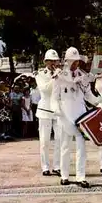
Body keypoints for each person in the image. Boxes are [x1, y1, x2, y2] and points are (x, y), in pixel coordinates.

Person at [51, 47, 100, 187]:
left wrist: (99, 100)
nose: (75, 64)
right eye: (72, 61)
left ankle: (81, 177)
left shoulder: (83, 76)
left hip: (81, 116)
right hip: (65, 116)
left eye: (77, 61)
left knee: (81, 148)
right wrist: (56, 110)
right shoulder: (59, 76)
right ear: (67, 61)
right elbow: (54, 98)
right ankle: (65, 176)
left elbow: (88, 94)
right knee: (65, 147)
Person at [35, 49, 62, 177]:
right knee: (45, 141)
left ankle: (57, 166)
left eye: (55, 61)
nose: (53, 63)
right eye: (51, 61)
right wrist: (55, 78)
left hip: (57, 110)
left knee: (59, 140)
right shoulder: (40, 74)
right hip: (45, 110)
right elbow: (44, 89)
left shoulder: (61, 73)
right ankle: (45, 167)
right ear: (46, 62)